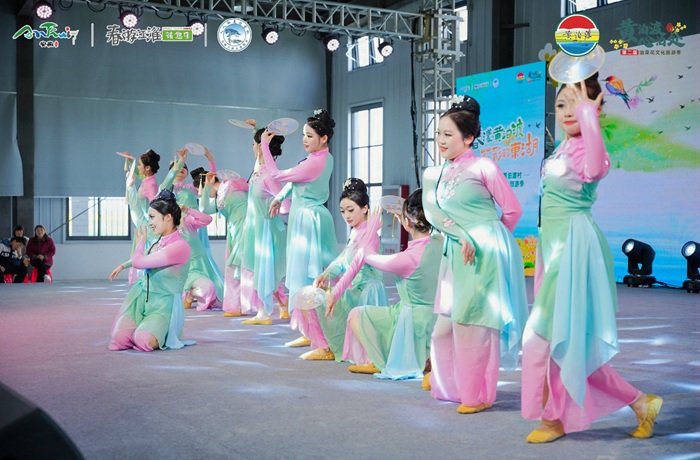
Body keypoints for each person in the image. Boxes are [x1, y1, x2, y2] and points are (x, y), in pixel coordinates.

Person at [521, 76, 662, 443]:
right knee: (565, 342)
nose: (568, 112)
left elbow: (597, 169)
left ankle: (554, 419)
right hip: (552, 247)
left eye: (578, 104)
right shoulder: (562, 149)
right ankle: (641, 402)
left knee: (547, 338)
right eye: (562, 105)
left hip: (573, 247)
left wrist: (588, 116)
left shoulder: (591, 148)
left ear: (596, 108)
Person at [422, 96, 528, 414]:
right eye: (438, 133)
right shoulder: (434, 173)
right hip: (455, 251)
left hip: (483, 254)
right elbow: (432, 213)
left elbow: (512, 209)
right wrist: (462, 234)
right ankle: (450, 388)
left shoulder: (484, 167)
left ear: (468, 137)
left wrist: (491, 241)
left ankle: (477, 395)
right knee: (443, 329)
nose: (441, 140)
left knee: (475, 325)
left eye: (448, 134)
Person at [342, 189, 443, 379]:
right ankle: (427, 356)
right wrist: (407, 216)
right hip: (438, 317)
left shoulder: (407, 259)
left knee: (356, 314)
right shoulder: (439, 241)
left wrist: (372, 226)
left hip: (412, 321)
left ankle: (379, 362)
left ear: (407, 222)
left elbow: (368, 255)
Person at [265, 110, 339, 350]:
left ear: (324, 138)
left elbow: (276, 174)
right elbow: (296, 181)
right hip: (308, 217)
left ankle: (319, 338)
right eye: (304, 135)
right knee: (306, 276)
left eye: (309, 135)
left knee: (309, 277)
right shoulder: (321, 157)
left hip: (308, 221)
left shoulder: (315, 162)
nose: (304, 139)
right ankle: (309, 331)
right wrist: (279, 197)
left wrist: (264, 146)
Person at [311, 178, 388, 361]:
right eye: (342, 211)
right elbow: (343, 259)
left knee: (321, 301)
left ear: (365, 208)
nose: (346, 215)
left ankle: (329, 348)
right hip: (354, 288)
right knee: (314, 297)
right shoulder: (355, 231)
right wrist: (325, 274)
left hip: (366, 291)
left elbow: (354, 266)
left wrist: (336, 292)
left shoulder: (370, 234)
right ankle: (326, 346)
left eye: (351, 210)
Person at [108, 189, 192, 351]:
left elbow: (140, 262)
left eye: (152, 217)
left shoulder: (179, 247)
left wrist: (140, 242)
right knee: (118, 340)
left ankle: (157, 330)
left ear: (168, 217)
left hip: (163, 306)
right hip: (143, 298)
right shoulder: (158, 241)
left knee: (142, 340)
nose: (150, 222)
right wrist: (123, 265)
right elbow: (145, 257)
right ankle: (143, 326)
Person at [237, 123, 289, 323]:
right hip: (256, 228)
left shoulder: (269, 175)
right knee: (265, 272)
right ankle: (282, 306)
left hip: (267, 229)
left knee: (265, 272)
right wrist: (256, 130)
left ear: (260, 146)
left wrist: (276, 206)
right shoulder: (259, 170)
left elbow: (286, 205)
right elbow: (259, 159)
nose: (252, 147)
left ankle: (263, 313)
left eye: (254, 144)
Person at [200, 161, 249, 315]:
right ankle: (235, 305)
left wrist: (211, 162)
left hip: (246, 226)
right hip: (234, 230)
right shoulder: (219, 198)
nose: (204, 193)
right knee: (233, 267)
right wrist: (207, 188)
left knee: (242, 266)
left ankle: (243, 305)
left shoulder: (232, 183)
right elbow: (203, 209)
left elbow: (250, 190)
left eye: (203, 188)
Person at [124, 149, 161, 284]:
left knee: (147, 253)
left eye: (139, 165)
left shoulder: (151, 184)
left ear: (147, 168)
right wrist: (131, 162)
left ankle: (148, 280)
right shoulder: (147, 179)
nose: (138, 167)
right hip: (141, 220)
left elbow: (154, 204)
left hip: (145, 223)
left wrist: (154, 224)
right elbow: (137, 174)